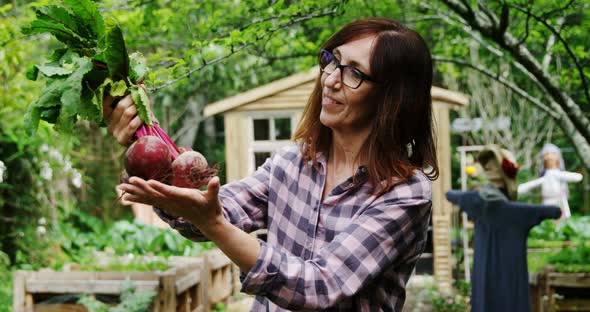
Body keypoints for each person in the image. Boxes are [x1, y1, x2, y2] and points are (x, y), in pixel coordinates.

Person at [104, 18, 437, 311]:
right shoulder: (292, 162)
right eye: (332, 61)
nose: (331, 79)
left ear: (393, 99)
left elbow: (318, 288)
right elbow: (214, 211)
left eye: (354, 73)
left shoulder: (405, 194)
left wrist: (214, 224)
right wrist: (146, 147)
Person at [446, 145, 560, 312]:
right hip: (511, 286)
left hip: (484, 283)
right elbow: (555, 211)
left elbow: (450, 195)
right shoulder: (521, 213)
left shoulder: (475, 202)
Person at [518, 143, 583, 219]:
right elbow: (529, 186)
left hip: (560, 204)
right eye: (547, 154)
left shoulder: (560, 175)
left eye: (552, 154)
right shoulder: (544, 178)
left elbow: (578, 177)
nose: (549, 157)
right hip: (546, 204)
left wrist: (558, 175)